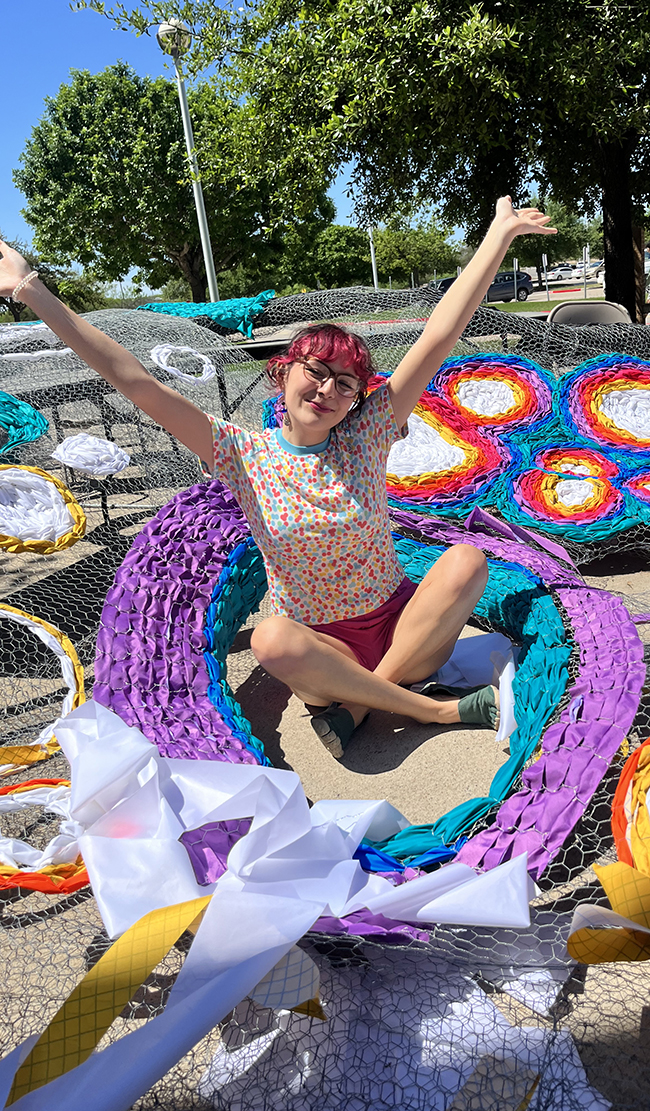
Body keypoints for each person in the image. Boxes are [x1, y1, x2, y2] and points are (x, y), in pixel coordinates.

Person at [0, 197, 555, 759]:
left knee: (467, 561)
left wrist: (498, 237)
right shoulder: (238, 451)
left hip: (403, 633)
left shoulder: (367, 434)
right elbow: (136, 382)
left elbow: (439, 334)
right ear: (284, 371)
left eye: (345, 384)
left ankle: (363, 705)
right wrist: (31, 290)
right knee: (269, 638)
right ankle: (435, 709)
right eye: (316, 371)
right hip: (319, 652)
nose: (328, 390)